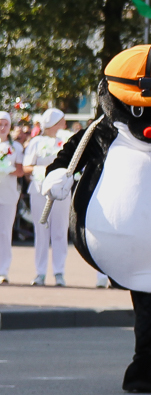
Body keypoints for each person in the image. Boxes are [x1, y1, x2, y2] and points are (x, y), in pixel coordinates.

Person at [22, 108, 70, 286]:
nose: (64, 125)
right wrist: (41, 170)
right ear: (53, 123)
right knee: (41, 231)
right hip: (39, 190)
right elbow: (26, 167)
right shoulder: (36, 142)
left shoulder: (66, 140)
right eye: (62, 121)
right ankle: (40, 272)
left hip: (61, 191)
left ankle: (59, 272)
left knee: (60, 231)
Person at [0, 111, 25, 285]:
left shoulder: (16, 147)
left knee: (4, 233)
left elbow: (21, 171)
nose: (2, 128)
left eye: (5, 124)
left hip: (8, 195)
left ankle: (3, 270)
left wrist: (7, 168)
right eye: (0, 124)